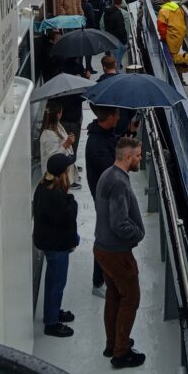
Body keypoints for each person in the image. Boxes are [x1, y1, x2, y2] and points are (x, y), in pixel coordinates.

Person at [94, 136, 146, 368]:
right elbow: (119, 223)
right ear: (127, 158)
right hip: (117, 253)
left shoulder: (107, 175)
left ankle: (112, 343)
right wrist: (138, 233)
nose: (140, 159)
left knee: (114, 295)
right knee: (131, 298)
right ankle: (121, 352)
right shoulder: (119, 183)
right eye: (137, 156)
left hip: (103, 249)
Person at [32, 153, 79, 339]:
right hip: (56, 245)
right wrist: (71, 199)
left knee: (53, 280)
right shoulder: (55, 194)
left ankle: (53, 311)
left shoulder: (44, 187)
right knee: (56, 282)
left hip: (51, 242)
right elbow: (68, 217)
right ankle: (51, 323)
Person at [84, 105, 120, 299]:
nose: (119, 118)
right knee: (104, 237)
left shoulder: (106, 134)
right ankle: (98, 282)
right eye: (117, 115)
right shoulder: (96, 144)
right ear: (110, 117)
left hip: (108, 194)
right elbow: (112, 169)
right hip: (103, 197)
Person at [95, 54, 138, 137]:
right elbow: (133, 106)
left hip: (106, 123)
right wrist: (127, 119)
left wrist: (101, 116)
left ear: (104, 67)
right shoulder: (126, 83)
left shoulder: (99, 84)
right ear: (115, 65)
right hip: (123, 124)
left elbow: (93, 103)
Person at [39, 105, 78, 187]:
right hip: (55, 179)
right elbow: (53, 158)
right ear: (58, 114)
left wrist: (69, 142)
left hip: (62, 175)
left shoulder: (58, 126)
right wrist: (66, 144)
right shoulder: (48, 134)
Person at [157, 0, 188, 65]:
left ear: (162, 0)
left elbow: (161, 27)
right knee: (176, 51)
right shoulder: (177, 7)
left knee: (172, 57)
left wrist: (163, 38)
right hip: (180, 32)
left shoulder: (163, 11)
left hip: (172, 35)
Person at [102, 0, 129, 69]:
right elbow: (121, 28)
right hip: (118, 40)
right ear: (121, 3)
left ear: (113, 2)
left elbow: (103, 24)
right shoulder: (119, 13)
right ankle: (116, 73)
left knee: (114, 59)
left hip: (110, 38)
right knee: (117, 61)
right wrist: (124, 40)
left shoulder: (106, 12)